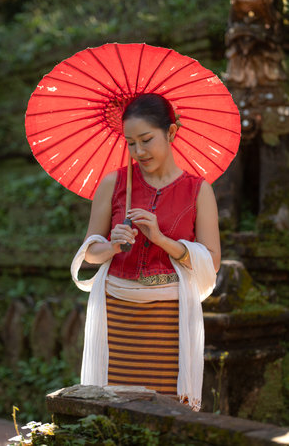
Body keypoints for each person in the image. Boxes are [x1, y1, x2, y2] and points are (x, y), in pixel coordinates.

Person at [71, 93, 220, 411]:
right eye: (131, 143)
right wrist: (111, 245)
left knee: (166, 411)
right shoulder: (113, 183)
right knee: (112, 409)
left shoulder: (199, 191)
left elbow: (212, 260)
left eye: (146, 140)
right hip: (117, 315)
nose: (139, 151)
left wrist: (162, 239)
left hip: (168, 321)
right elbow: (89, 253)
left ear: (172, 132)